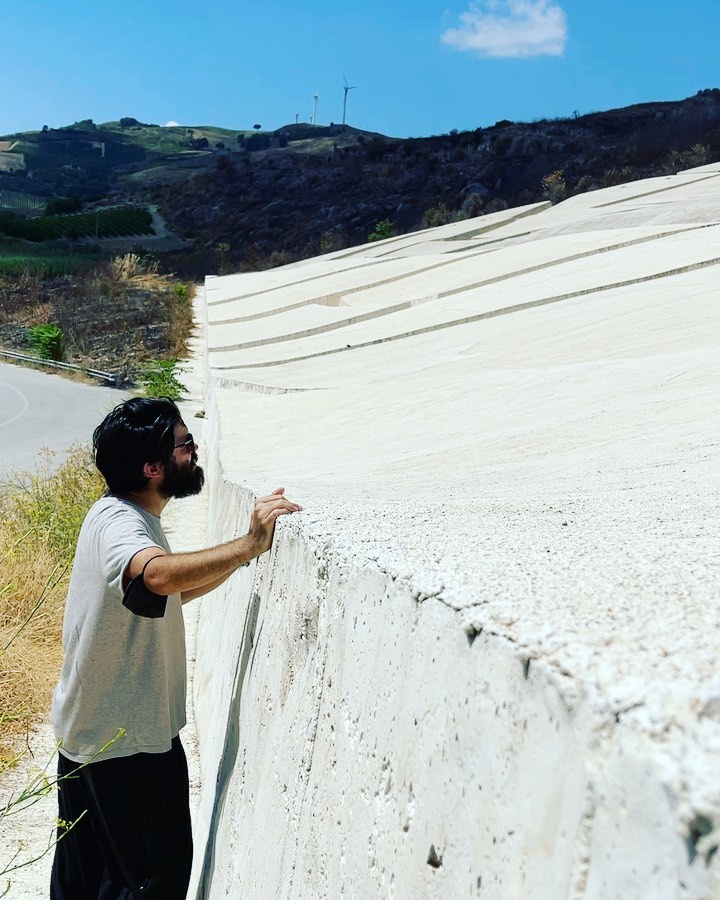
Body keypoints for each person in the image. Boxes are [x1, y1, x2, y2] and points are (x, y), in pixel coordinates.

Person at [50, 397, 302, 900]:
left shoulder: (122, 515)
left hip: (94, 737)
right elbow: (157, 576)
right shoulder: (120, 523)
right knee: (151, 881)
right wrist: (249, 544)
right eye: (185, 445)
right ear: (152, 466)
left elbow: (167, 593)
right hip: (126, 747)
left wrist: (239, 556)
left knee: (87, 884)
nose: (195, 451)